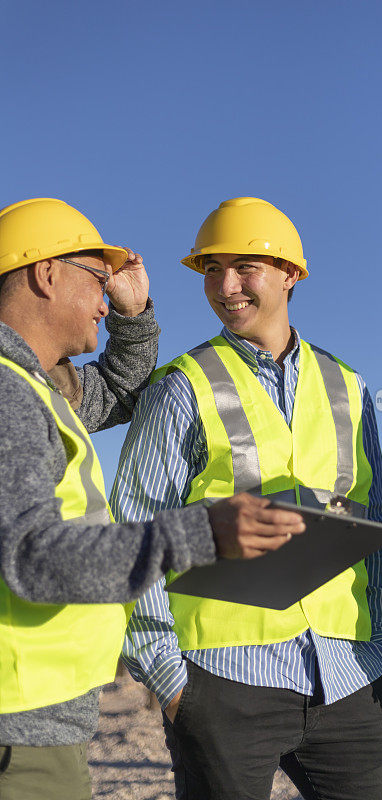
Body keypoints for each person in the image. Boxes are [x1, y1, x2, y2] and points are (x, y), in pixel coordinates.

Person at [0, 197, 303, 800]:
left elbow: (115, 392)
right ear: (46, 273)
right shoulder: (8, 396)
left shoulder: (37, 385)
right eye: (97, 279)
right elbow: (31, 558)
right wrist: (200, 533)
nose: (105, 299)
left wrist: (134, 321)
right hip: (15, 723)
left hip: (37, 717)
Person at [112, 197, 382, 800]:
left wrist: (379, 644)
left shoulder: (348, 387)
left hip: (346, 673)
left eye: (245, 266)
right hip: (221, 681)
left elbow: (376, 525)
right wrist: (168, 678)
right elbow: (135, 532)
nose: (226, 286)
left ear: (290, 273)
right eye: (212, 270)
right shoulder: (181, 387)